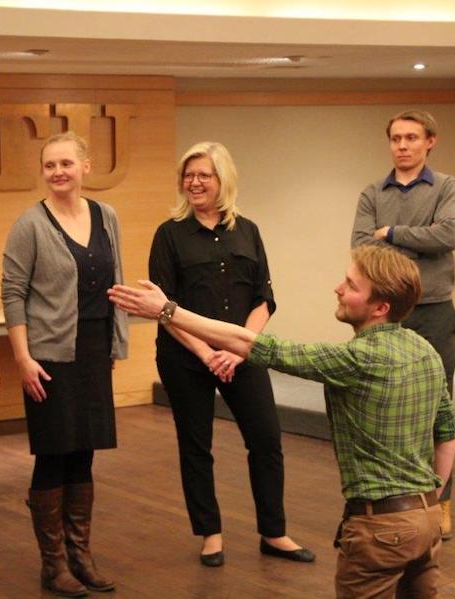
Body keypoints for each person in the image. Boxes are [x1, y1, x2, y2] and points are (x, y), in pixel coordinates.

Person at [109, 245, 455, 598]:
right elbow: (449, 437)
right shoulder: (424, 350)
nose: (338, 288)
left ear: (381, 308)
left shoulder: (358, 359)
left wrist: (167, 310)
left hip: (381, 529)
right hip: (426, 519)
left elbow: (253, 343)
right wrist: (428, 501)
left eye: (352, 286)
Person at [149, 141, 313, 566]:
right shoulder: (169, 235)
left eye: (204, 174)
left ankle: (273, 533)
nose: (195, 182)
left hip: (242, 355)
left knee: (266, 441)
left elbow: (264, 298)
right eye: (188, 175)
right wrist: (207, 352)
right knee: (196, 445)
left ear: (224, 180)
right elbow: (163, 308)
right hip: (186, 355)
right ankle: (210, 533)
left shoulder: (248, 230)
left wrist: (240, 351)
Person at [1, 131, 128, 597]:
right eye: (50, 165)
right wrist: (22, 358)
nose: (58, 172)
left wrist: (116, 343)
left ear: (85, 166)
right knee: (53, 455)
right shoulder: (30, 224)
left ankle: (82, 555)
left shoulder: (106, 216)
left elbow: (114, 282)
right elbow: (13, 293)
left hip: (93, 351)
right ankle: (53, 565)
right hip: (49, 357)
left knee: (84, 453)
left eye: (66, 164)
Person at [351, 109, 455, 539]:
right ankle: (385, 500)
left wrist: (391, 234)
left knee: (439, 408)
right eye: (396, 138)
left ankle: (439, 501)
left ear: (429, 141)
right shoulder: (371, 192)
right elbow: (361, 248)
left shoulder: (446, 187)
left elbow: (448, 236)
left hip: (434, 311)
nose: (403, 145)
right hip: (383, 314)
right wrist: (413, 239)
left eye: (412, 137)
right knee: (379, 406)